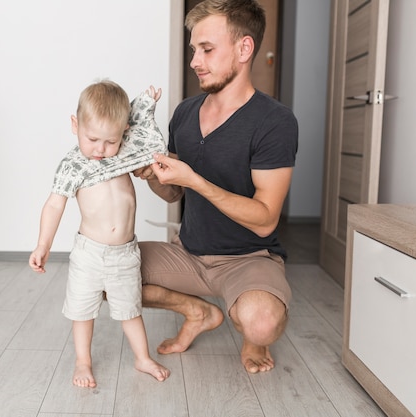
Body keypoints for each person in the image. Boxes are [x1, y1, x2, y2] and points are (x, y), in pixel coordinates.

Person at [134, 0, 298, 374]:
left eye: (207, 49)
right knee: (104, 275)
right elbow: (175, 194)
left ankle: (252, 339)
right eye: (194, 50)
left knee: (261, 321)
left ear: (244, 49)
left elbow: (264, 221)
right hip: (188, 253)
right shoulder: (185, 113)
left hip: (249, 257)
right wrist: (151, 176)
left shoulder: (275, 122)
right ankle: (199, 312)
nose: (195, 60)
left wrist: (195, 180)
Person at [29, 80, 170, 388]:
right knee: (83, 311)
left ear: (122, 134)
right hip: (89, 253)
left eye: (110, 141)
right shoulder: (74, 165)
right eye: (92, 138)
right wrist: (43, 245)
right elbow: (54, 205)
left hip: (125, 254)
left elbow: (138, 121)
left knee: (130, 309)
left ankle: (142, 357)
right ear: (74, 124)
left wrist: (147, 100)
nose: (101, 150)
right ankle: (83, 361)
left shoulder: (123, 154)